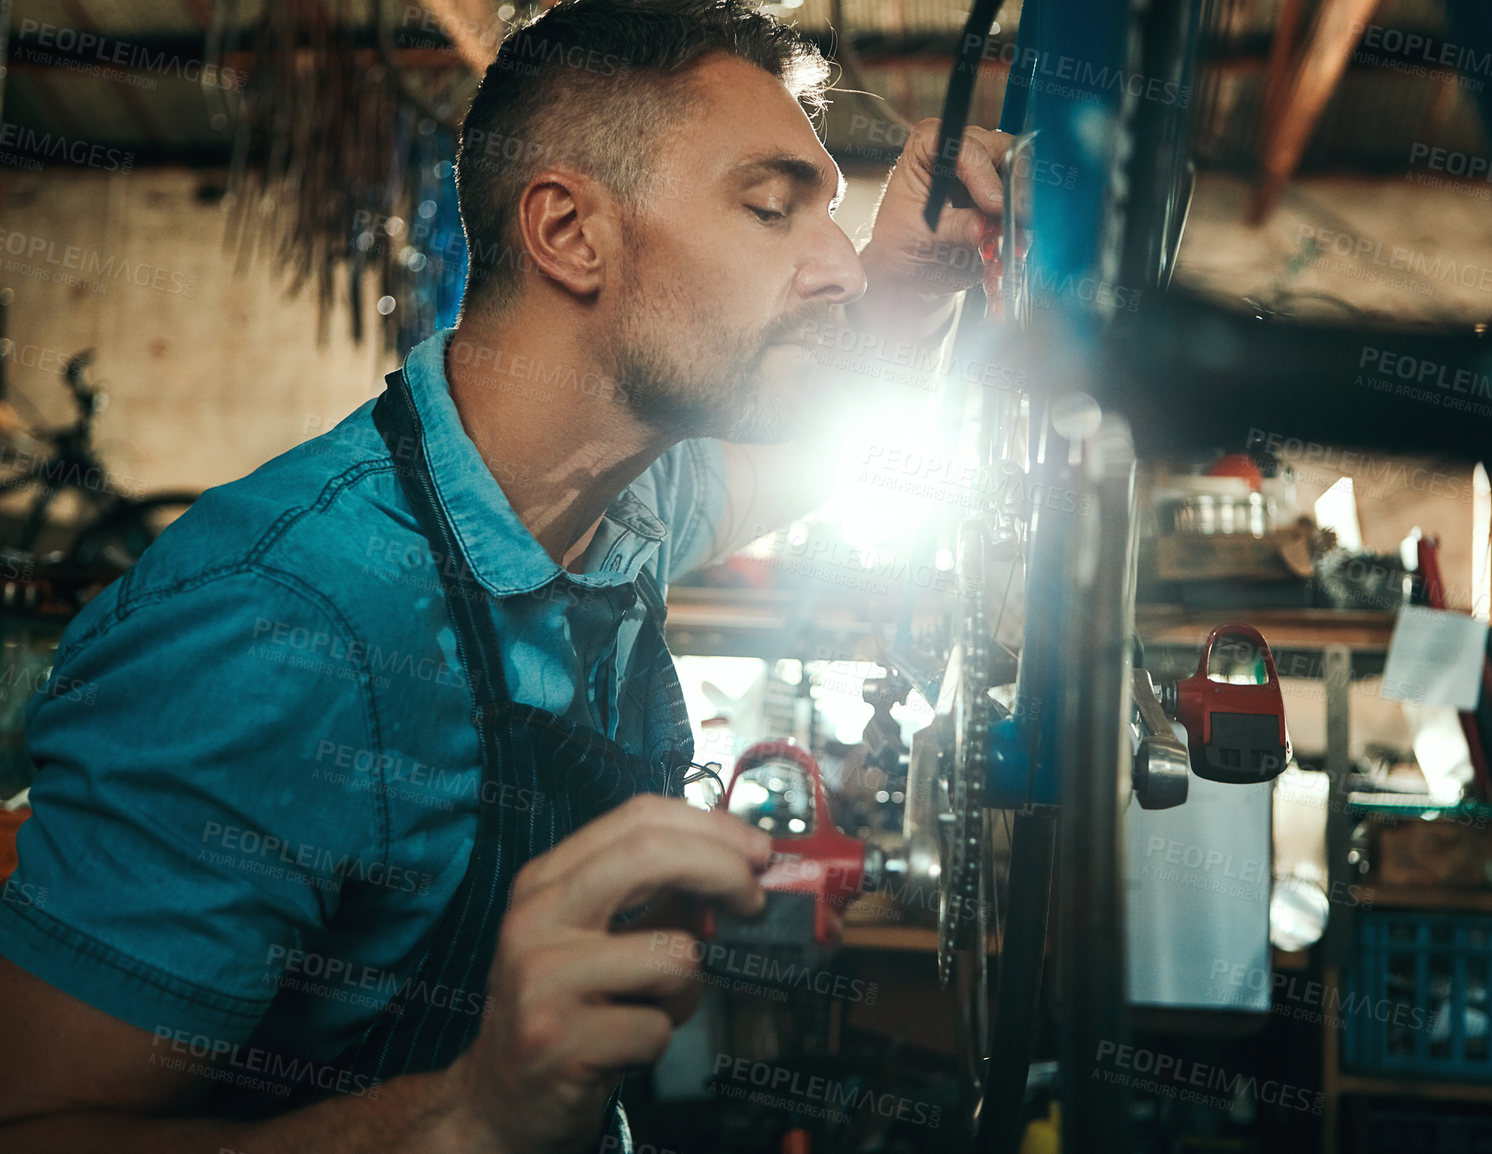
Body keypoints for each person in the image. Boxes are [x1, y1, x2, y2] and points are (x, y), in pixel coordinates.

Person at [0, 1, 1010, 1150]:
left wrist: (906, 275)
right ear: (570, 233)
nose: (832, 262)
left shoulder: (620, 493)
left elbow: (798, 439)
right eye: (774, 208)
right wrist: (466, 1112)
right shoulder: (271, 624)